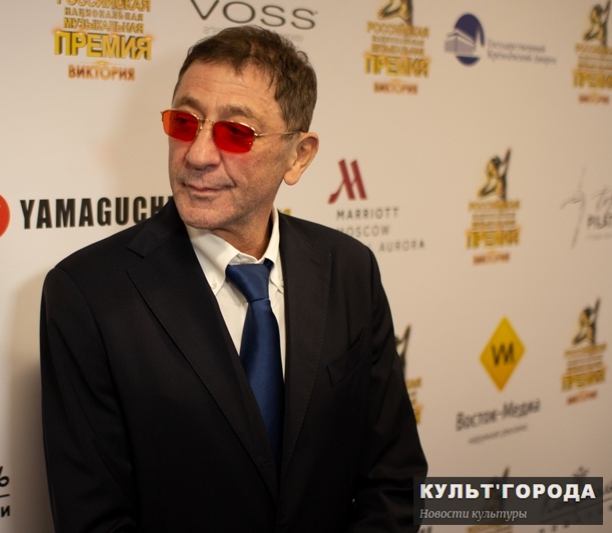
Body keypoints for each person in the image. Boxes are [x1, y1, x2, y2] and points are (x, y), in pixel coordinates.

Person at [40, 25, 426, 532]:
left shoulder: (350, 268)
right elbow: (94, 519)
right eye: (185, 122)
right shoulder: (87, 293)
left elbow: (396, 479)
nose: (197, 155)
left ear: (299, 156)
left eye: (236, 132)